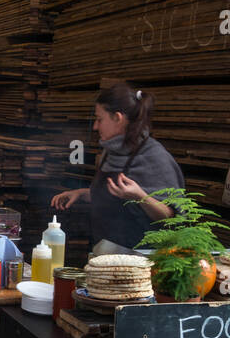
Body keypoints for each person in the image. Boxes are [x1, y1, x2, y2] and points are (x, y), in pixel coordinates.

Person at [50, 83, 182, 251]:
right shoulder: (110, 152)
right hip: (104, 253)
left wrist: (140, 196)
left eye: (100, 119)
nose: (95, 126)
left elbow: (170, 216)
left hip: (139, 262)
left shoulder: (155, 157)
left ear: (118, 118)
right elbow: (115, 197)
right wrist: (82, 194)